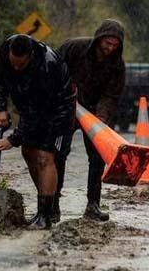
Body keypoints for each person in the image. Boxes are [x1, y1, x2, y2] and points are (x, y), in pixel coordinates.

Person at [0, 34, 76, 230]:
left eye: (20, 65)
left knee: (44, 157)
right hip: (31, 107)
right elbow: (0, 78)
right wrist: (0, 108)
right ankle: (47, 206)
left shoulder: (47, 66)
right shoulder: (6, 50)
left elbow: (36, 113)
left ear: (30, 56)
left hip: (57, 110)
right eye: (13, 63)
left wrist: (13, 139)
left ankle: (45, 216)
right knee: (28, 152)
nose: (15, 68)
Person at [55, 19, 126, 222]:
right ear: (99, 39)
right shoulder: (74, 48)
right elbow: (53, 68)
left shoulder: (117, 65)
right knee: (59, 154)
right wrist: (64, 90)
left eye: (115, 45)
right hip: (67, 107)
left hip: (95, 113)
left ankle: (92, 204)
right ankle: (53, 203)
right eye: (107, 43)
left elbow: (112, 95)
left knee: (96, 158)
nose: (110, 48)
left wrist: (101, 118)